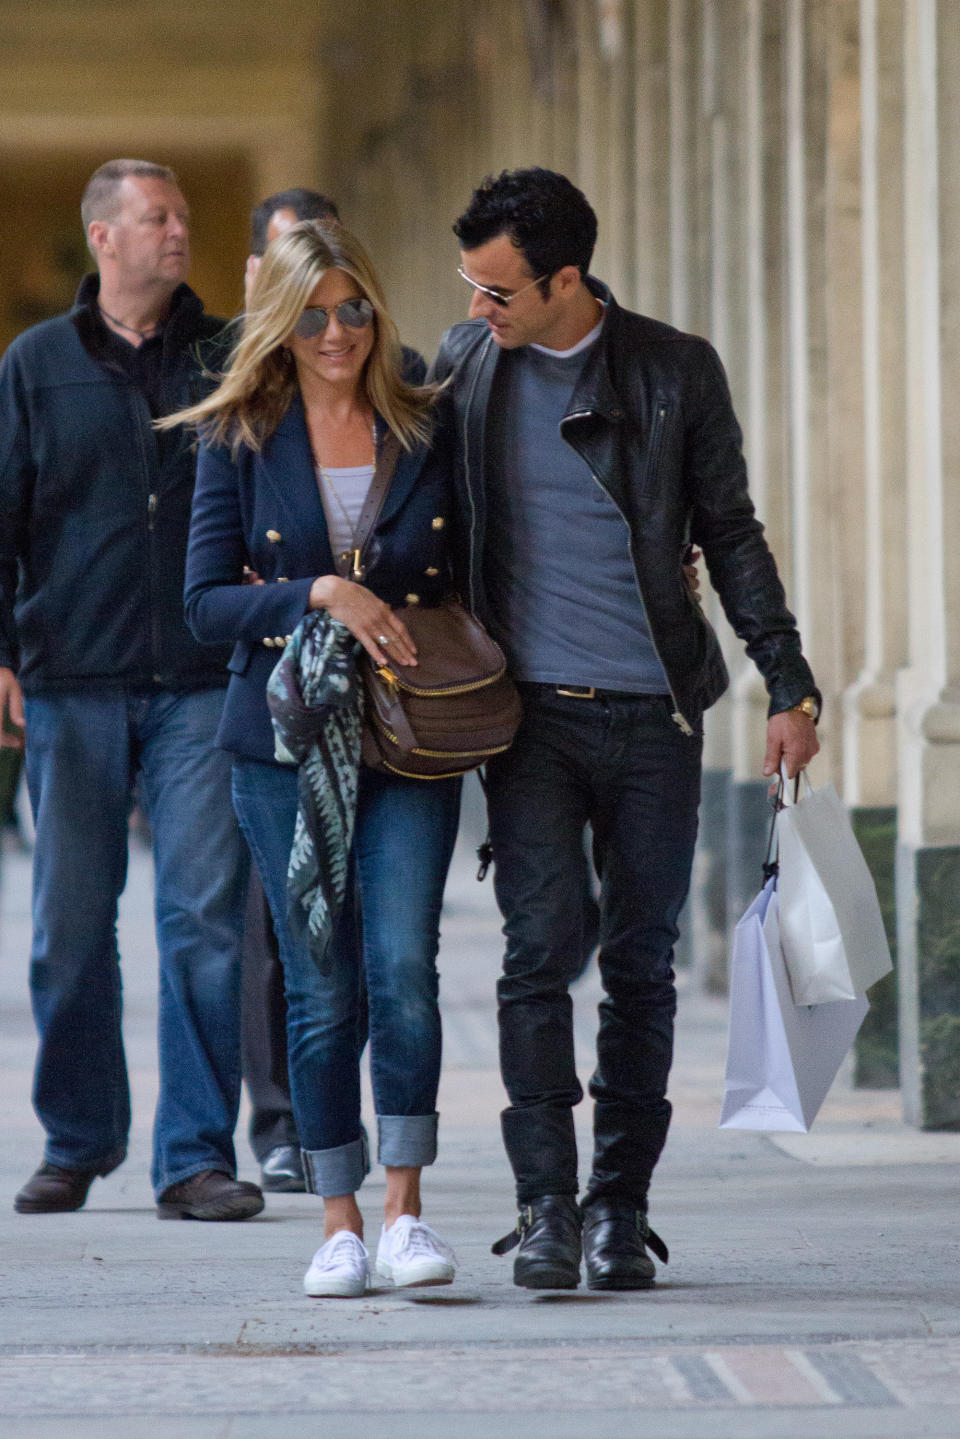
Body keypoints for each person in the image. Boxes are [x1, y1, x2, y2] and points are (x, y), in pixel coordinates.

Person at [432, 167, 821, 1292]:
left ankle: (619, 1207)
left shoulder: (673, 369)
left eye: (498, 292)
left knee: (641, 965)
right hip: (528, 719)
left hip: (656, 714)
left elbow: (730, 532)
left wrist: (788, 685)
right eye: (469, 285)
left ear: (565, 281)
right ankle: (545, 1203)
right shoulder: (464, 370)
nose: (476, 311)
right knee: (536, 950)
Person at [170, 218, 461, 1297]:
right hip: (281, 748)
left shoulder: (426, 422)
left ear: (373, 313)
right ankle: (336, 1219)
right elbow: (205, 603)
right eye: (312, 312)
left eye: (353, 307)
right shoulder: (239, 436)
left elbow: (479, 563)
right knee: (320, 981)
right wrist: (319, 592)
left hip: (410, 740)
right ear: (279, 323)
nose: (336, 329)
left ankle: (405, 1211)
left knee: (403, 971)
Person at [0, 158, 262, 1221]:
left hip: (203, 676)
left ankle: (195, 1154)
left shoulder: (229, 353)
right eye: (157, 218)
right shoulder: (35, 364)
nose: (177, 233)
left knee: (203, 919)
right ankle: (78, 1137)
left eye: (183, 219)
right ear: (102, 237)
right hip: (73, 676)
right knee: (69, 921)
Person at [240, 186, 340, 1196]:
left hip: (375, 696)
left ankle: (339, 1121)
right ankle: (283, 1119)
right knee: (270, 919)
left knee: (371, 936)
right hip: (256, 690)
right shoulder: (237, 399)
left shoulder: (392, 385)